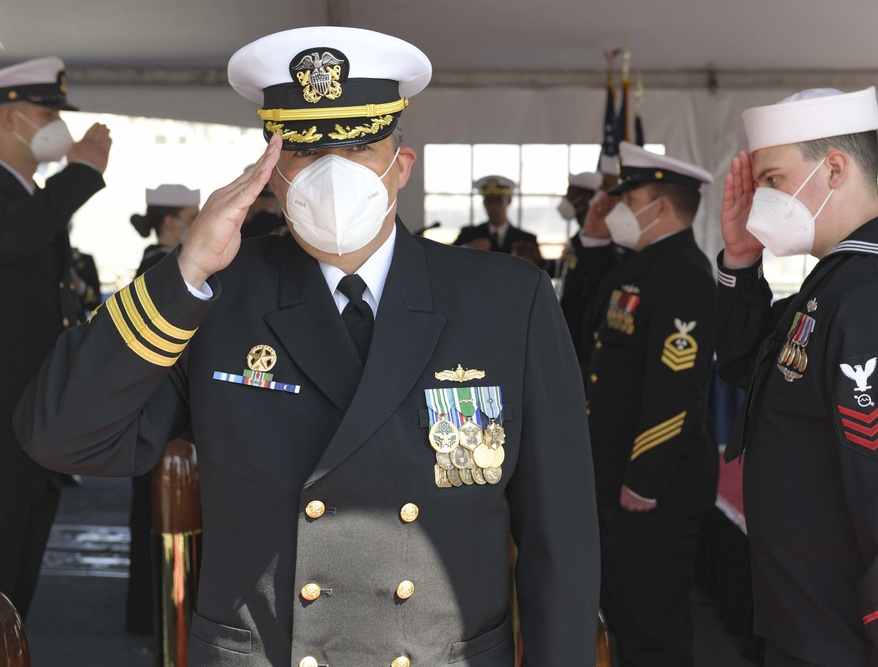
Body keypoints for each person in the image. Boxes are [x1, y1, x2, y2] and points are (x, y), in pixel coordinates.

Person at [15, 26, 599, 667]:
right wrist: (183, 274)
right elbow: (61, 436)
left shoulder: (505, 301)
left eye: (359, 147)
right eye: (304, 152)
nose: (332, 173)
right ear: (271, 174)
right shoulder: (218, 298)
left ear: (401, 167)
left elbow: (560, 538)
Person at [715, 87, 878, 666]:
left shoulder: (872, 296)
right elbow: (745, 365)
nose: (762, 200)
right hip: (812, 627)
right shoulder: (840, 281)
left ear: (834, 168)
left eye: (774, 180)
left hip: (852, 644)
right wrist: (739, 259)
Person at [585, 141, 718, 666]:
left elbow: (675, 389)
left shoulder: (683, 273)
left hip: (652, 488)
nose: (615, 205)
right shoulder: (638, 265)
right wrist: (594, 243)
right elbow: (583, 332)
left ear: (659, 206)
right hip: (614, 475)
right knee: (621, 615)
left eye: (627, 196)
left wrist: (644, 475)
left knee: (651, 629)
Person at [0, 56, 112, 619]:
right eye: (44, 112)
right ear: (6, 119)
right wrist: (82, 174)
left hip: (28, 420)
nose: (56, 126)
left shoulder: (29, 195)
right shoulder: (19, 199)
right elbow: (11, 238)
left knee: (18, 578)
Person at [125, 182, 200, 635]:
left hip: (155, 411)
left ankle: (146, 615)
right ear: (171, 222)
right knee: (161, 517)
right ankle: (153, 617)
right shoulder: (163, 265)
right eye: (192, 218)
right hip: (160, 413)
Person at [555, 171, 631, 364]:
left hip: (586, 327)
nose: (566, 200)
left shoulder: (606, 242)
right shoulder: (579, 238)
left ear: (586, 198)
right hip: (568, 325)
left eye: (570, 195)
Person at [452, 175, 545, 267]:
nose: (493, 206)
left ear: (509, 201)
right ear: (484, 203)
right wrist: (467, 248)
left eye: (498, 200)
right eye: (489, 200)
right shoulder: (469, 235)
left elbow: (546, 273)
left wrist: (531, 263)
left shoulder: (526, 240)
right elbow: (447, 260)